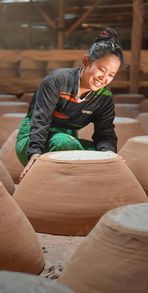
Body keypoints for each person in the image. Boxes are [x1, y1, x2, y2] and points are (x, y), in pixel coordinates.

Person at [16, 27, 125, 181]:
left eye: (111, 75)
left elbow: (105, 133)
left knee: (100, 156)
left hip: (67, 141)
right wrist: (34, 152)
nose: (104, 78)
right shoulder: (57, 80)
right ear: (86, 61)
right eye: (101, 69)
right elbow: (40, 120)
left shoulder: (104, 97)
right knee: (66, 143)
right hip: (33, 139)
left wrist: (110, 154)